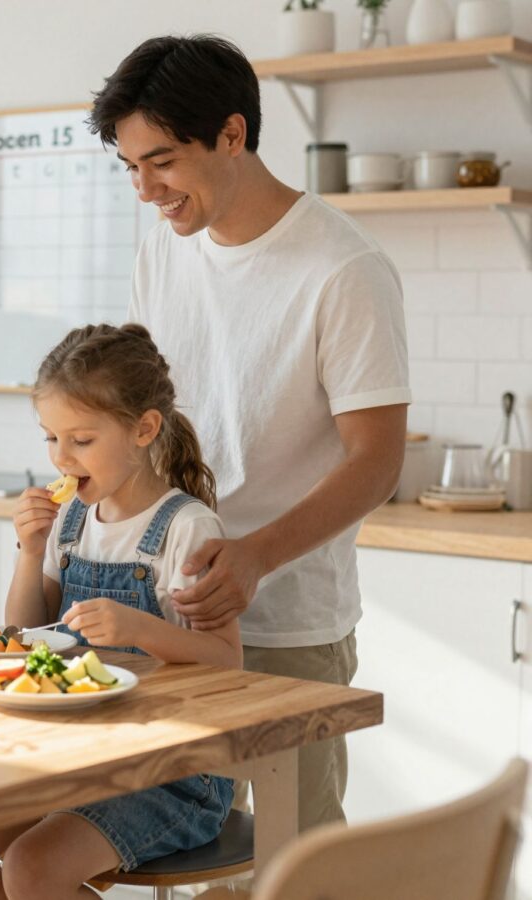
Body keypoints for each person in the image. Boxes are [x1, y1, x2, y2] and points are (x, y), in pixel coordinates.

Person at [89, 34, 410, 829]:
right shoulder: (162, 254)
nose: (145, 190)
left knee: (294, 855)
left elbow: (378, 461)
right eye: (130, 167)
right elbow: (145, 420)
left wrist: (257, 556)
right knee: (177, 840)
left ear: (232, 135)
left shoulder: (343, 268)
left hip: (292, 617)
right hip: (171, 610)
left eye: (160, 161)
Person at [0, 323, 241, 900]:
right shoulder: (70, 522)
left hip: (172, 772)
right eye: (51, 439)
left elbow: (227, 658)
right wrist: (30, 553)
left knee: (33, 869)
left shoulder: (187, 528)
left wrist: (142, 629)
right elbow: (25, 635)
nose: (61, 458)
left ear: (144, 429)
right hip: (76, 755)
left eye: (81, 440)